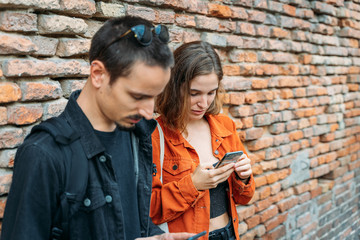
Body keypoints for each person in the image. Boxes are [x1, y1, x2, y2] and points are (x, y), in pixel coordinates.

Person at [1, 16, 194, 240]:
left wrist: (154, 236)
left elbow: (131, 221)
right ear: (98, 75)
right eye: (137, 96)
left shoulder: (137, 136)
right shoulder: (44, 154)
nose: (148, 112)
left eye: (154, 97)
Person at [150, 41, 255, 240]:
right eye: (194, 93)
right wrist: (193, 185)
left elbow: (244, 197)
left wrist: (243, 177)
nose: (204, 103)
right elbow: (150, 209)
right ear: (174, 87)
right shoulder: (156, 135)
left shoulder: (225, 126)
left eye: (211, 93)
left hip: (230, 234)